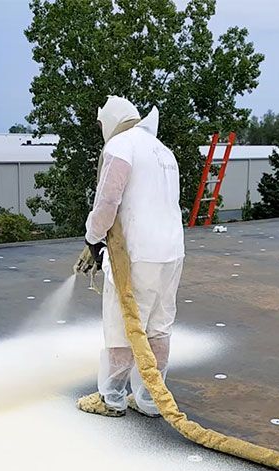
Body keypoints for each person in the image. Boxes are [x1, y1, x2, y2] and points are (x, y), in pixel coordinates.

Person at [76, 96, 185, 418]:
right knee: (158, 327)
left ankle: (111, 398)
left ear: (109, 119)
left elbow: (107, 202)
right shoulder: (161, 150)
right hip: (171, 253)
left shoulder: (120, 147)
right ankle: (151, 399)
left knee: (122, 326)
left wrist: (92, 240)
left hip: (136, 256)